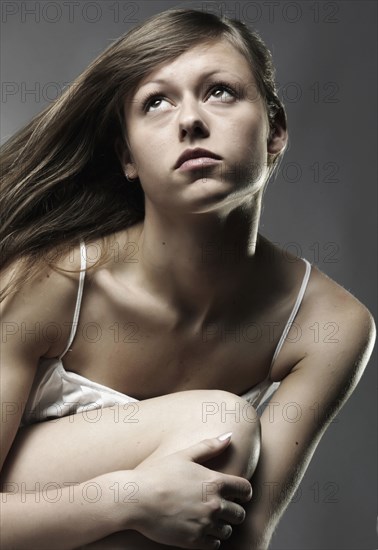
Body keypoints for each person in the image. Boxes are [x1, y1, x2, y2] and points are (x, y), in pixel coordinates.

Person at [0, 7, 375, 550]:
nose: (189, 121)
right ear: (127, 156)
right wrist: (130, 497)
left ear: (276, 131)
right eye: (156, 102)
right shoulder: (51, 281)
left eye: (220, 91)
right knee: (220, 423)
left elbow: (244, 537)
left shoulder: (330, 325)